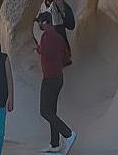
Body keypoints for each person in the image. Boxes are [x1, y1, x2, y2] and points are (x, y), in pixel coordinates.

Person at [35, 11, 77, 153]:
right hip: (58, 77)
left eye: (40, 22)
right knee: (51, 111)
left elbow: (47, 52)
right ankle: (55, 144)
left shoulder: (47, 36)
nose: (39, 25)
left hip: (50, 79)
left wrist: (39, 49)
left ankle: (68, 134)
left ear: (46, 22)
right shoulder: (58, 36)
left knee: (44, 111)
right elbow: (62, 53)